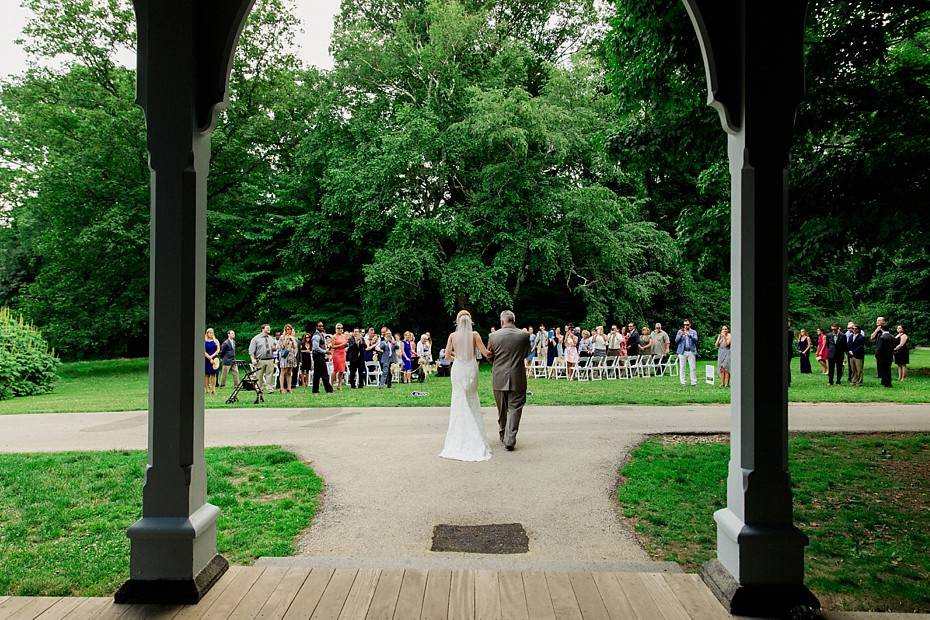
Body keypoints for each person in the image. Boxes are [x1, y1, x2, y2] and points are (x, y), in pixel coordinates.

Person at [439, 311, 494, 461]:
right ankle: (475, 434)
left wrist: (458, 356)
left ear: (457, 322)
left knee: (458, 399)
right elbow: (486, 353)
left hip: (458, 368)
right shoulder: (475, 335)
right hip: (470, 368)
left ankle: (458, 436)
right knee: (471, 398)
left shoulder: (452, 336)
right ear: (470, 322)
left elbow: (447, 355)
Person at [487, 310, 531, 452]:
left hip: (499, 376)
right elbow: (526, 353)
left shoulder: (493, 336)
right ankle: (510, 438)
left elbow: (490, 356)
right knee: (515, 408)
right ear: (513, 320)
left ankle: (503, 434)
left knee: (502, 409)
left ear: (502, 321)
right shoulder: (524, 335)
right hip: (518, 376)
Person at [248, 324, 276, 394]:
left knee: (270, 374)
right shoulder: (256, 339)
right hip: (260, 360)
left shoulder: (271, 338)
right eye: (267, 328)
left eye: (269, 328)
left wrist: (274, 348)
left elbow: (274, 348)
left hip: (270, 359)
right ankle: (259, 389)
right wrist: (253, 359)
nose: (269, 329)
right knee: (259, 375)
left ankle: (270, 389)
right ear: (263, 329)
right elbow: (251, 350)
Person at [311, 321, 333, 393]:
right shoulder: (316, 336)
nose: (321, 327)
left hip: (320, 355)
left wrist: (326, 350)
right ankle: (329, 389)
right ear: (316, 327)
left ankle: (315, 390)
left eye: (322, 326)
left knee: (317, 374)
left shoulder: (320, 334)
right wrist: (326, 351)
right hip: (317, 356)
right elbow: (315, 348)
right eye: (320, 326)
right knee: (324, 373)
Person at [675, 319, 698, 386]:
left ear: (690, 324)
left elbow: (696, 340)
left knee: (693, 368)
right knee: (682, 367)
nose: (685, 326)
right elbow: (676, 340)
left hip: (691, 351)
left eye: (687, 324)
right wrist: (681, 335)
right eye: (684, 324)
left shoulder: (693, 331)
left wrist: (690, 335)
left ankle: (693, 382)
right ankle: (683, 382)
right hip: (682, 352)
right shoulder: (680, 331)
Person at [872, 319, 895, 388]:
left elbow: (879, 348)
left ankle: (885, 382)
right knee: (888, 369)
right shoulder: (892, 336)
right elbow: (894, 345)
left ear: (881, 329)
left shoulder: (882, 337)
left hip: (882, 356)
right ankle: (888, 382)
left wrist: (877, 355)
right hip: (890, 355)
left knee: (883, 370)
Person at [277, 324, 298, 393]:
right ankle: (282, 388)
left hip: (291, 356)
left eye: (290, 329)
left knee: (289, 372)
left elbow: (295, 348)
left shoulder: (293, 337)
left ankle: (289, 388)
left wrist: (293, 340)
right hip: (284, 356)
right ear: (285, 330)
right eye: (287, 329)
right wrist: (285, 340)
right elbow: (280, 347)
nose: (288, 331)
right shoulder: (282, 337)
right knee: (283, 372)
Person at [329, 324, 348, 391]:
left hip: (343, 353)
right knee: (336, 370)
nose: (340, 329)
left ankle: (339, 385)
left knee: (342, 370)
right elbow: (332, 346)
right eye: (338, 328)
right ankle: (331, 384)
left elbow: (345, 344)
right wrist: (341, 345)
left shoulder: (344, 336)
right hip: (337, 353)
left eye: (341, 328)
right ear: (336, 329)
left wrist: (345, 345)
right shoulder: (334, 337)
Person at [204, 328, 220, 395]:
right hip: (206, 359)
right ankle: (207, 389)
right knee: (207, 374)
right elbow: (203, 351)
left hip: (214, 359)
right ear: (207, 333)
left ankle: (213, 389)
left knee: (214, 374)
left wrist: (212, 356)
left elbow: (218, 349)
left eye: (212, 332)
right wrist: (209, 357)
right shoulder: (204, 341)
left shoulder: (216, 341)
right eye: (210, 333)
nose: (211, 334)